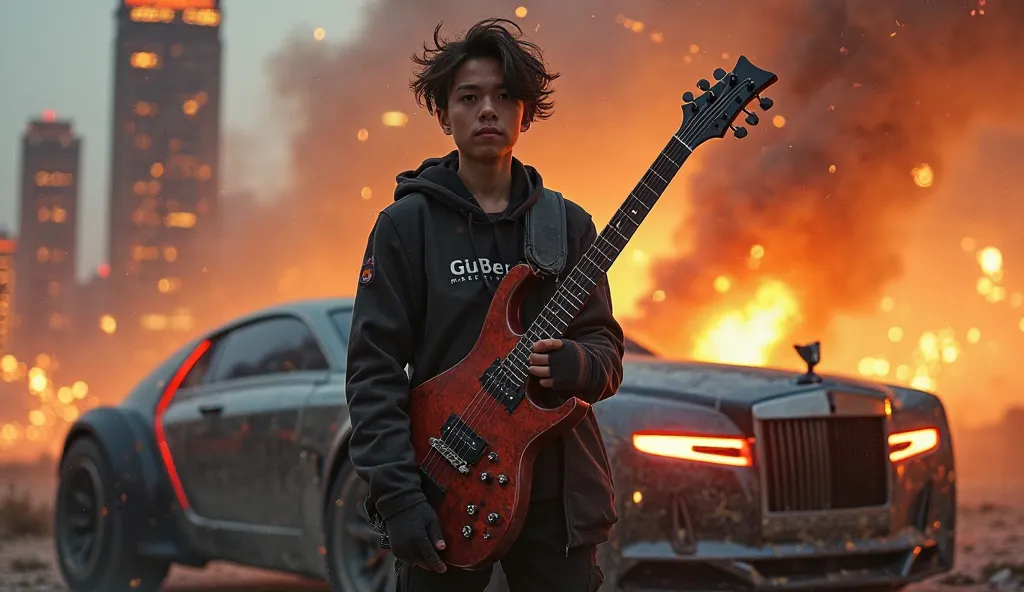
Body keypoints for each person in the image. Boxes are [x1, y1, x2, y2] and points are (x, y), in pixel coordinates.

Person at [345, 17, 625, 592]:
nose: (488, 110)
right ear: (445, 114)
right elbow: (373, 372)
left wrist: (576, 365)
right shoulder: (406, 227)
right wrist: (398, 499)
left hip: (557, 502)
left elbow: (607, 353)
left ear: (526, 112)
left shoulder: (567, 225)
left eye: (504, 96)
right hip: (443, 490)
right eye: (469, 98)